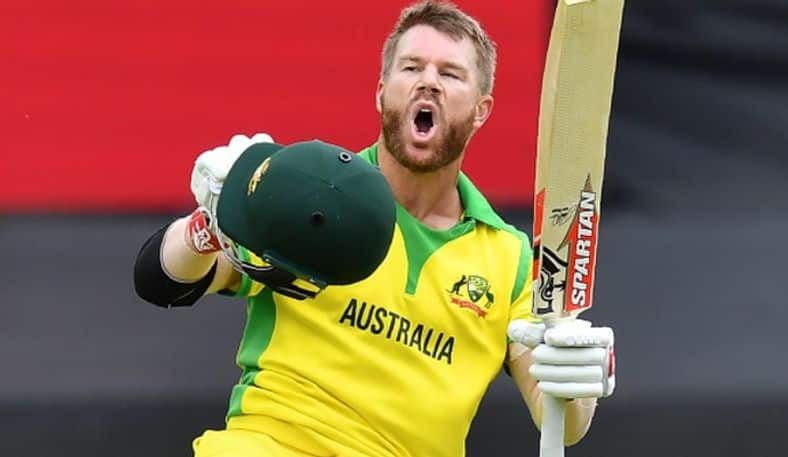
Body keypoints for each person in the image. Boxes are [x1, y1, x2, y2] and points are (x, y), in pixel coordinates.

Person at [134, 2, 616, 456]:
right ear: (381, 90)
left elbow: (563, 424)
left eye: (449, 74)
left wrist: (575, 382)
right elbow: (161, 282)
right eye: (411, 68)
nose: (428, 83)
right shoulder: (310, 191)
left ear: (481, 110)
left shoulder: (511, 260)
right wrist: (209, 224)